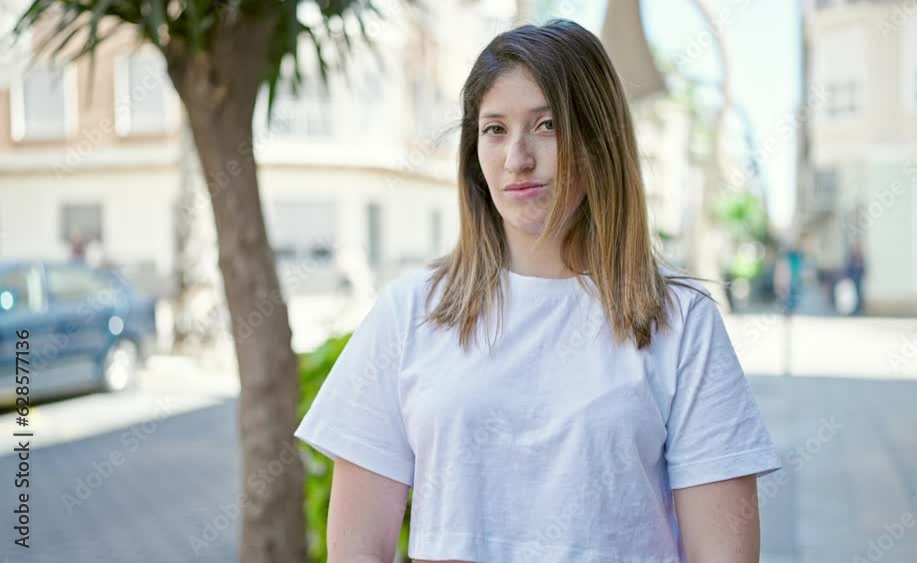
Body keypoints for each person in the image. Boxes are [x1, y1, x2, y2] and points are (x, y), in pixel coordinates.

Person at [295, 19, 781, 563]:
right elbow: (356, 549)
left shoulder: (682, 323)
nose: (517, 158)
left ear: (599, 141)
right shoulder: (411, 311)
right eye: (495, 129)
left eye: (547, 125)